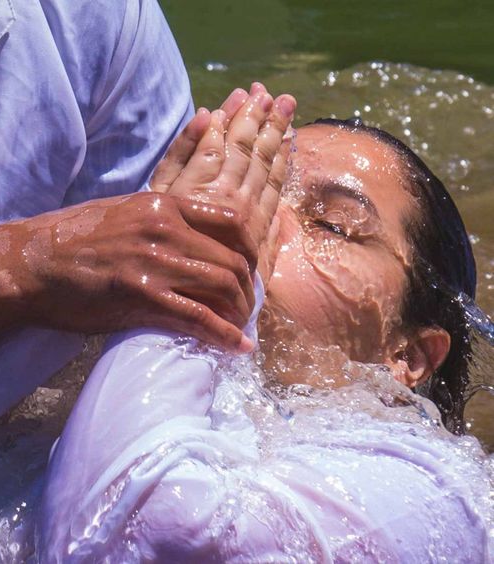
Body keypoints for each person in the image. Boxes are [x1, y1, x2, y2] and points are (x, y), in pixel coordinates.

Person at [37, 119, 492, 561]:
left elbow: (119, 541)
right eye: (260, 187)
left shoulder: (435, 495)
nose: (248, 217)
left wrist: (186, 281)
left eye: (332, 224)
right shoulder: (55, 382)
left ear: (408, 355)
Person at [0, 0, 294, 437]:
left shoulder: (102, 18)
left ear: (401, 354)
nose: (280, 226)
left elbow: (156, 269)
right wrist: (19, 269)